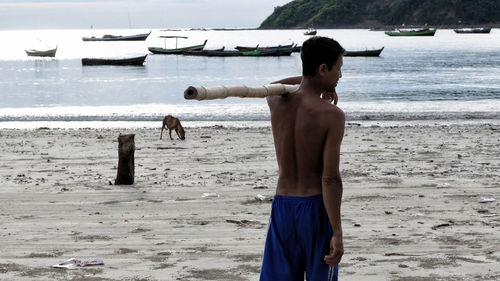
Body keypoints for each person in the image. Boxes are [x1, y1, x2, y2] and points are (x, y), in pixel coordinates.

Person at [260, 36, 345, 281]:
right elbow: (330, 179)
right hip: (314, 209)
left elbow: (272, 85)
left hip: (283, 207)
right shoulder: (331, 115)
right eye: (338, 68)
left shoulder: (276, 102)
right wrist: (337, 232)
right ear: (322, 68)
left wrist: (310, 81)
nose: (340, 76)